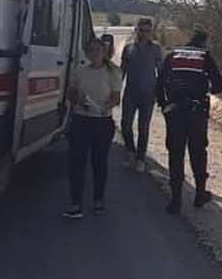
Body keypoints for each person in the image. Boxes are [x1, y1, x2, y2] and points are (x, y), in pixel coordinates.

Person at [155, 28, 222, 214]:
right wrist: (204, 86)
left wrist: (165, 106)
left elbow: (159, 83)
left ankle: (176, 200)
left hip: (175, 112)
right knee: (198, 152)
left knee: (175, 155)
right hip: (197, 113)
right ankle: (200, 194)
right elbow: (219, 86)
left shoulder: (173, 55)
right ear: (204, 42)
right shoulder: (204, 57)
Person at [64, 34, 121, 218]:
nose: (94, 53)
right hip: (81, 121)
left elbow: (116, 97)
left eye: (98, 50)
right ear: (87, 53)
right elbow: (70, 93)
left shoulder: (113, 72)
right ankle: (75, 203)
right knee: (76, 163)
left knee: (99, 163)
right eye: (91, 50)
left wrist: (106, 107)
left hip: (102, 123)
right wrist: (78, 100)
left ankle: (98, 199)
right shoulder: (79, 71)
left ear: (104, 52)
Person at [119, 17, 164, 170]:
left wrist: (161, 93)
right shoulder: (128, 48)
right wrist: (116, 89)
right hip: (131, 92)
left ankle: (140, 158)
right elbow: (122, 71)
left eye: (148, 31)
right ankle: (130, 150)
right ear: (136, 30)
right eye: (142, 30)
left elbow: (161, 72)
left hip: (148, 94)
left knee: (143, 127)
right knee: (125, 124)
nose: (145, 34)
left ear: (151, 32)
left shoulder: (156, 48)